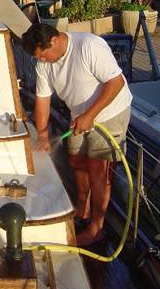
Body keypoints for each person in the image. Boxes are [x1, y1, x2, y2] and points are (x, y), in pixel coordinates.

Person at [21, 24, 132, 246]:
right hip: (79, 114)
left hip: (110, 112)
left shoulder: (89, 46)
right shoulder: (44, 64)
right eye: (37, 57)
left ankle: (96, 229)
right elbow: (42, 101)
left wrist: (90, 115)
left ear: (54, 41)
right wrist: (42, 136)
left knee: (98, 170)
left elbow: (116, 82)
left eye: (42, 55)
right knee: (76, 161)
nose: (41, 60)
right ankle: (82, 210)